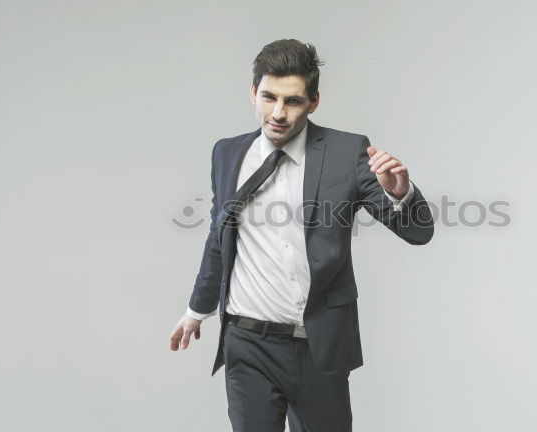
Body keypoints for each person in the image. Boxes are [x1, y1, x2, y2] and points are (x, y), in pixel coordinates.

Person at [169, 39, 434, 432]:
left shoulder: (347, 152)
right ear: (253, 92)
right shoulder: (227, 154)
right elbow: (219, 237)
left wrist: (400, 192)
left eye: (292, 101)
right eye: (268, 97)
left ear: (313, 102)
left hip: (319, 346)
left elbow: (418, 232)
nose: (277, 113)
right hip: (247, 344)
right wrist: (196, 310)